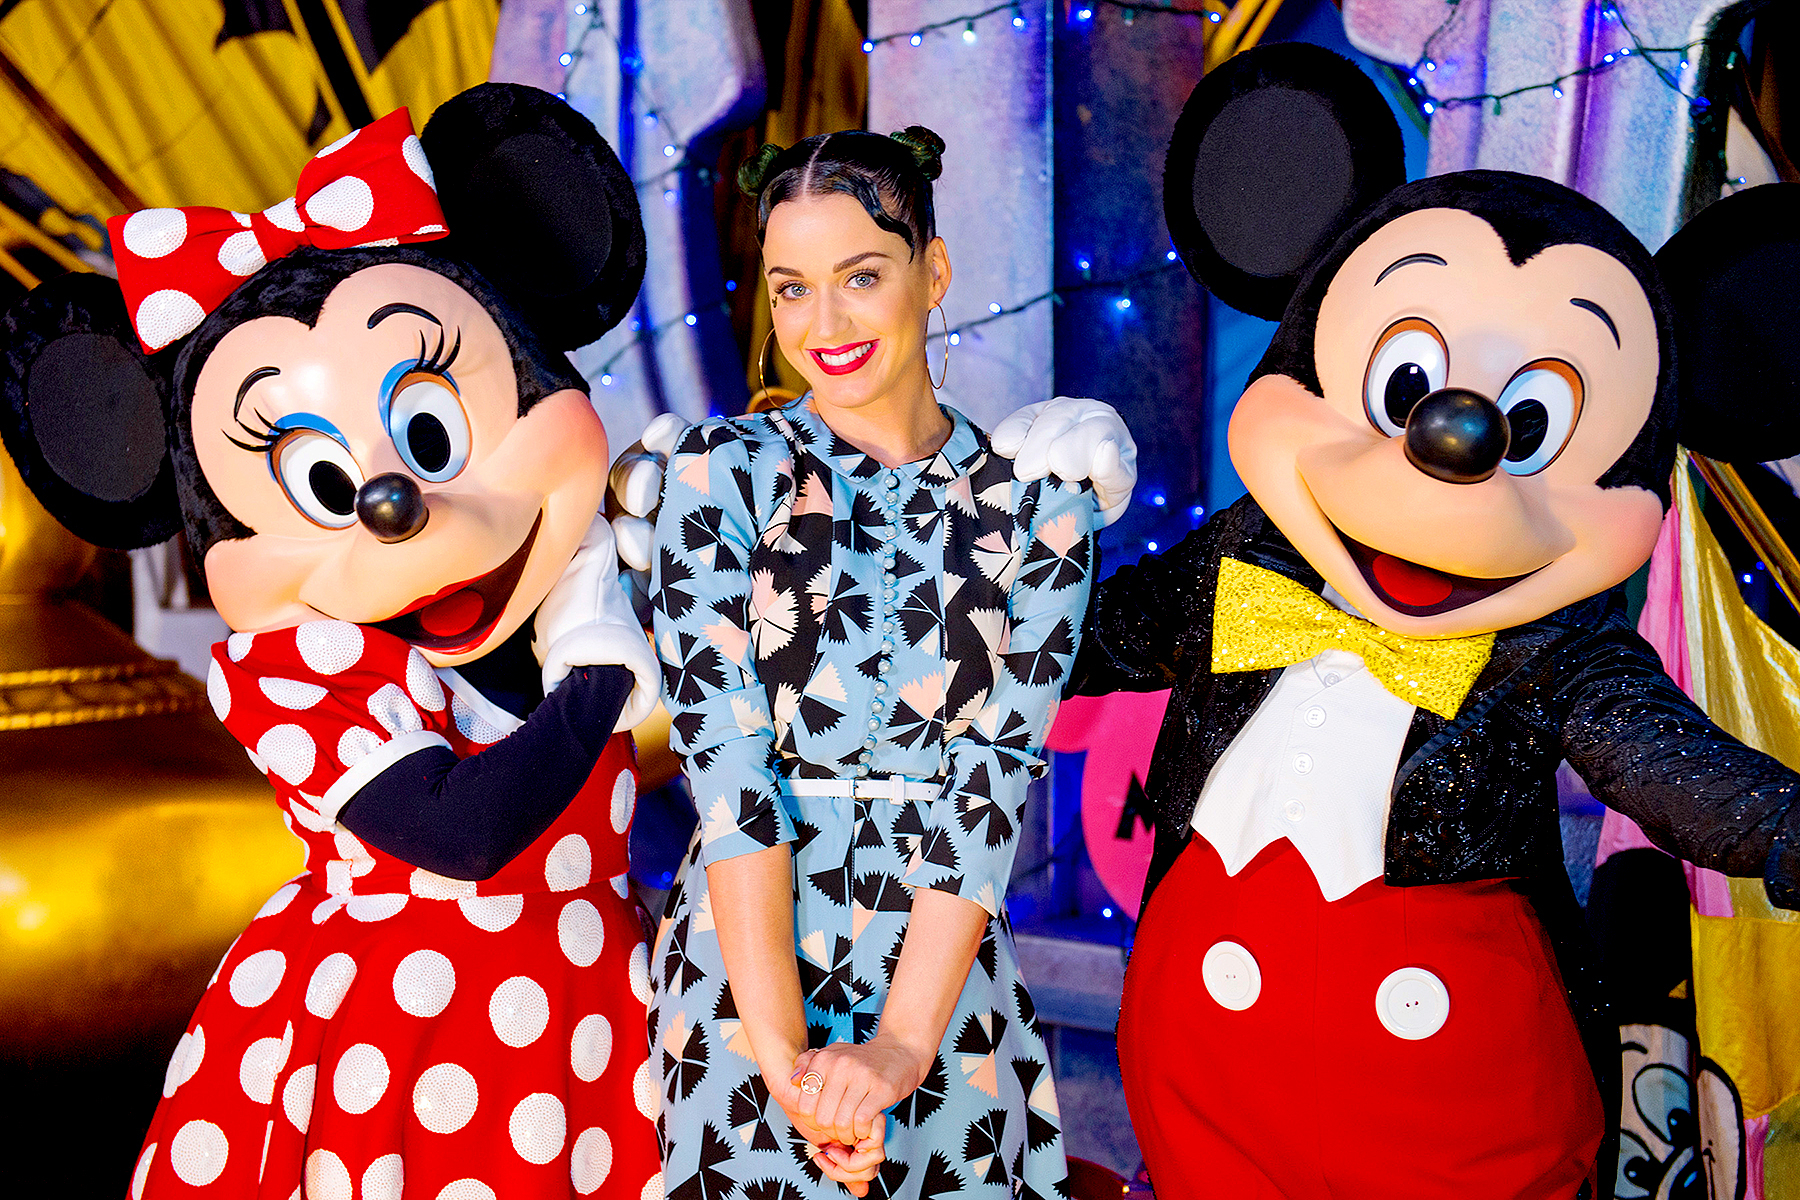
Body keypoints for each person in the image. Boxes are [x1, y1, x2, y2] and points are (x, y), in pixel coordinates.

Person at [0, 89, 665, 1199]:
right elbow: (468, 830)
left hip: (592, 1007)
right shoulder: (299, 673)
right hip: (400, 1048)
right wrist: (601, 657)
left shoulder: (586, 567)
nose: (397, 505)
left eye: (431, 432)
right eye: (322, 481)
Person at [647, 128, 1097, 1200]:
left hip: (941, 976)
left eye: (861, 276)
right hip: (745, 969)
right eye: (791, 288)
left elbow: (991, 782)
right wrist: (789, 1066)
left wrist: (899, 1049)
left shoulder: (1040, 506)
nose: (825, 324)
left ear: (931, 271)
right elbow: (727, 776)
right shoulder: (720, 477)